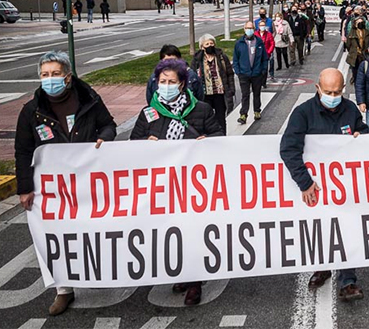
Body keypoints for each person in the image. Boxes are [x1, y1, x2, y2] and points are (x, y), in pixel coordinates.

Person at [15, 51, 117, 316]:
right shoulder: (31, 111)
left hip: (87, 180)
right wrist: (24, 188)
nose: (50, 79)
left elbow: (109, 126)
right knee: (56, 238)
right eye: (45, 75)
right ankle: (63, 289)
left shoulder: (89, 100)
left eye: (55, 74)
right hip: (53, 189)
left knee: (93, 230)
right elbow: (23, 150)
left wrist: (103, 139)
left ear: (68, 77)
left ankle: (100, 273)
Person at [131, 58, 223, 306]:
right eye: (162, 82)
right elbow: (132, 145)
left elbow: (219, 137)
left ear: (182, 84)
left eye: (172, 82)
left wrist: (208, 140)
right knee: (171, 232)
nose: (167, 86)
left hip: (193, 185)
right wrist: (144, 144)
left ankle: (194, 282)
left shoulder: (201, 109)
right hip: (162, 186)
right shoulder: (149, 113)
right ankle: (182, 273)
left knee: (192, 231)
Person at [279, 68, 368, 302]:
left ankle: (348, 281)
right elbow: (289, 149)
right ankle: (322, 267)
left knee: (347, 231)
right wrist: (305, 182)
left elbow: (364, 133)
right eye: (328, 91)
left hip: (345, 187)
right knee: (320, 230)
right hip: (316, 187)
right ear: (317, 88)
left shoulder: (349, 109)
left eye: (337, 92)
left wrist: (361, 135)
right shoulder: (302, 114)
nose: (333, 96)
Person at [192, 34, 235, 134]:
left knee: (221, 119)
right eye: (207, 44)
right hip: (205, 95)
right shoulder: (197, 60)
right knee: (206, 119)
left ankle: (222, 136)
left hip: (219, 94)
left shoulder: (221, 58)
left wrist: (231, 89)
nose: (210, 46)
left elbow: (229, 74)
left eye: (211, 43)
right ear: (202, 47)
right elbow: (193, 77)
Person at [233, 20, 269, 123]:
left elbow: (264, 58)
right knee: (245, 95)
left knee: (256, 93)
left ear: (254, 29)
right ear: (244, 29)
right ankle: (243, 114)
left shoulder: (259, 42)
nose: (249, 30)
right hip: (244, 74)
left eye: (251, 28)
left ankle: (257, 111)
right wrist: (238, 71)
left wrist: (263, 70)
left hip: (256, 73)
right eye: (247, 28)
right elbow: (235, 59)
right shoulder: (239, 43)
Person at [345, 14, 369, 84]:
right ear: (355, 24)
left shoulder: (367, 33)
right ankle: (355, 78)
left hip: (364, 54)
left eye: (361, 22)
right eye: (358, 23)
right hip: (355, 54)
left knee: (364, 69)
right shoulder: (351, 33)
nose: (360, 24)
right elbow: (348, 44)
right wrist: (353, 51)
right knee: (355, 69)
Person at [256, 18, 276, 84]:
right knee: (258, 68)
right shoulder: (255, 34)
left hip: (266, 54)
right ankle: (258, 80)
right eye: (261, 25)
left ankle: (263, 82)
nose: (262, 27)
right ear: (258, 26)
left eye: (263, 25)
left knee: (264, 68)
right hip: (257, 54)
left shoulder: (269, 34)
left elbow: (272, 43)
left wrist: (269, 52)